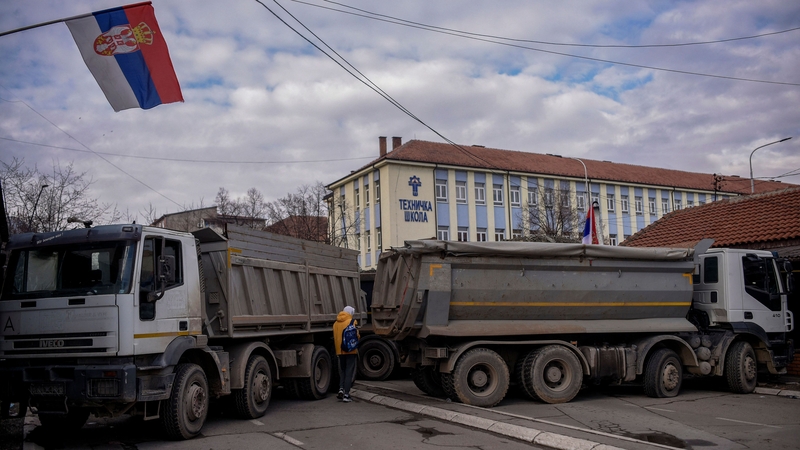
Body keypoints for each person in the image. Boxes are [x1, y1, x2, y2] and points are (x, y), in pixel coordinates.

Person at [333, 305, 359, 403]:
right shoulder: (352, 322)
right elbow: (357, 336)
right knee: (349, 372)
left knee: (342, 371)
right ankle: (347, 395)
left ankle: (341, 389)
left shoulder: (335, 324)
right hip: (350, 350)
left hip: (340, 351)